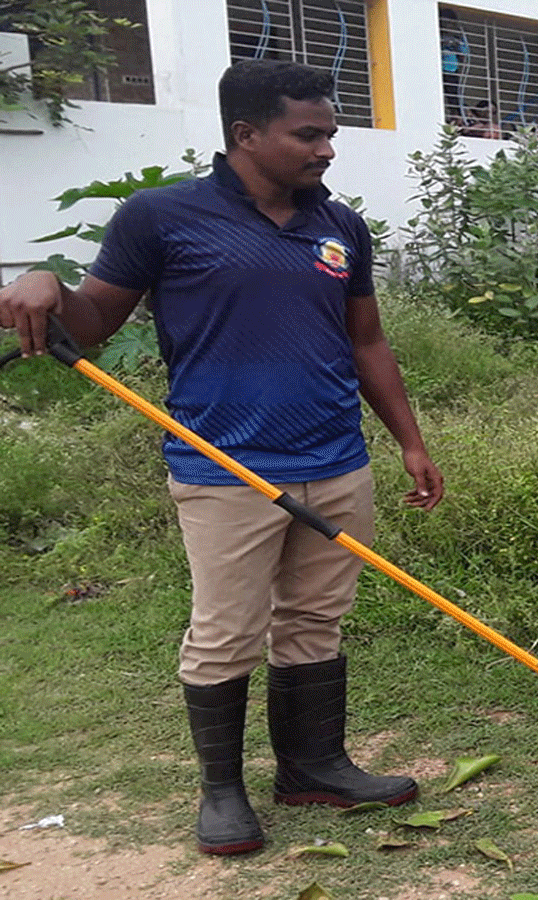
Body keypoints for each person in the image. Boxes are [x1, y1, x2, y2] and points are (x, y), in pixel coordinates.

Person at [0, 59, 445, 856]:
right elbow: (92, 323)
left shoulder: (340, 226)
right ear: (246, 134)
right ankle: (223, 792)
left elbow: (367, 340)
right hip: (224, 466)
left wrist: (409, 440)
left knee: (315, 620)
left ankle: (313, 767)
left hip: (337, 459)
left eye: (330, 134)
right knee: (226, 630)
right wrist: (44, 282)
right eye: (308, 135)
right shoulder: (160, 217)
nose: (327, 150)